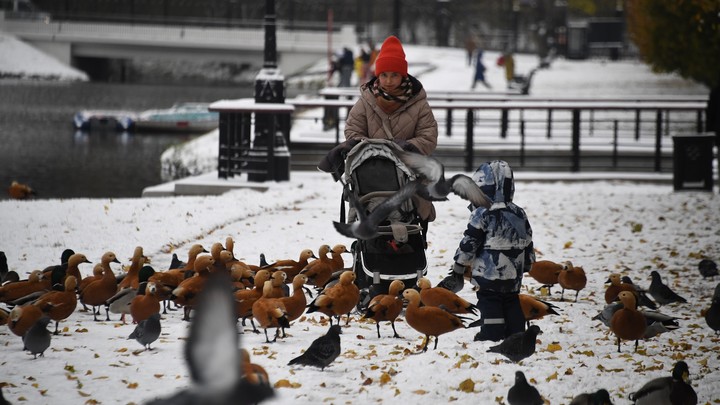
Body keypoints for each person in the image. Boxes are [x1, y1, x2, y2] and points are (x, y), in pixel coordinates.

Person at [344, 35, 439, 233]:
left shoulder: (419, 104)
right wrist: (371, 147)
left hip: (409, 173)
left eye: (394, 75)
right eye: (384, 75)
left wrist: (403, 147)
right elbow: (353, 131)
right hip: (372, 173)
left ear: (403, 76)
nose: (388, 81)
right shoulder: (366, 102)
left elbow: (428, 136)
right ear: (377, 75)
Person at [439, 160, 535, 342]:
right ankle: (516, 332)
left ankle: (492, 332)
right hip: (514, 271)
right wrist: (529, 262)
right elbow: (528, 239)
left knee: (489, 300)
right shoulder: (519, 212)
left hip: (489, 271)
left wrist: (459, 265)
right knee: (512, 300)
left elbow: (470, 241)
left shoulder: (482, 212)